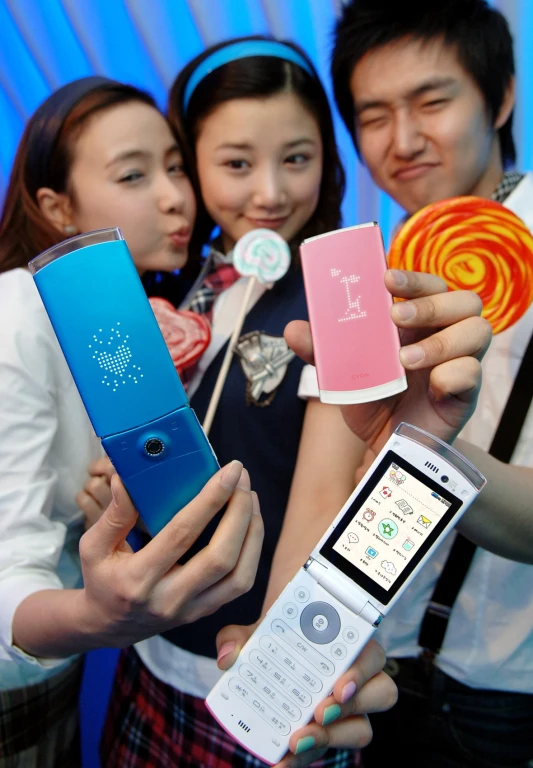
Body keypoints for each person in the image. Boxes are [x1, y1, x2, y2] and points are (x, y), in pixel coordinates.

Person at [85, 37, 490, 768]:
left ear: (326, 163)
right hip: (148, 656)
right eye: (236, 164)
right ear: (191, 165)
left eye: (296, 159)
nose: (269, 192)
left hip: (244, 667)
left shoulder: (342, 293)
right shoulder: (181, 283)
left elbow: (321, 495)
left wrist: (276, 663)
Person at [0, 75, 265, 767]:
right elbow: (5, 573)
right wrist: (102, 616)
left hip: (58, 665)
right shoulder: (17, 313)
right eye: (133, 173)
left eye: (176, 166)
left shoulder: (128, 314)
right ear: (57, 208)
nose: (176, 196)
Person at [330, 2, 533, 766]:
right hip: (380, 665)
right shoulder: (364, 282)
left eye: (432, 101)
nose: (402, 141)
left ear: (500, 96)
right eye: (373, 114)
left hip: (499, 695)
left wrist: (423, 448)